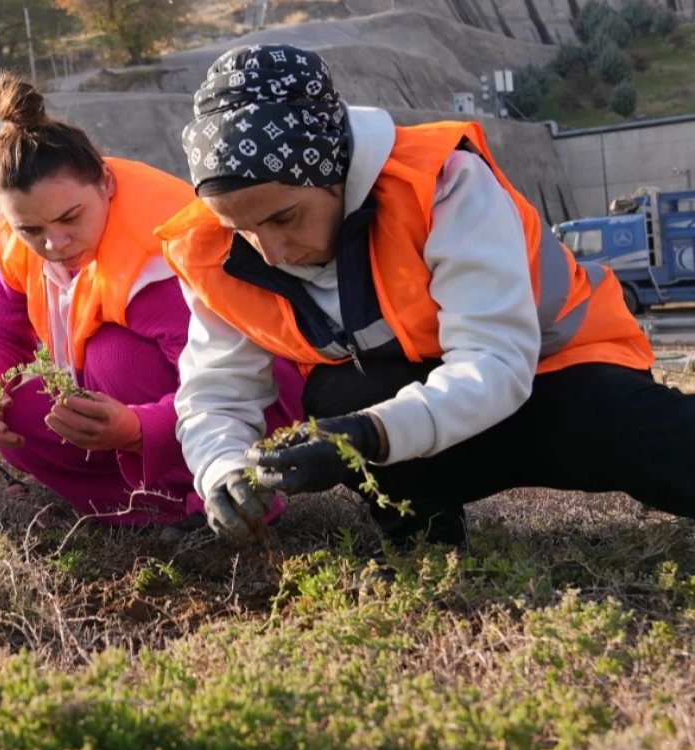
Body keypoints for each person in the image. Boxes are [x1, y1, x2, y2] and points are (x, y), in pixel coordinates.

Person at [159, 43, 695, 549]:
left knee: (635, 428)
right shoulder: (212, 251)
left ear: (335, 169)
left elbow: (496, 362)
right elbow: (216, 395)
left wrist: (367, 435)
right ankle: (425, 542)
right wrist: (220, 470)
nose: (269, 251)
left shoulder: (444, 184)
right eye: (244, 230)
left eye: (284, 218)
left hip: (559, 381)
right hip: (423, 423)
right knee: (337, 394)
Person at [0, 72, 305, 528]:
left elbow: (250, 386)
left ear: (106, 182)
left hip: (268, 401)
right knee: (18, 409)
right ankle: (141, 511)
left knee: (113, 358)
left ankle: (222, 497)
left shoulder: (164, 258)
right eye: (32, 230)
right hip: (138, 421)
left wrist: (139, 428)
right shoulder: (14, 243)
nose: (55, 243)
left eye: (70, 217)